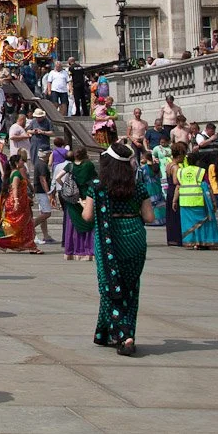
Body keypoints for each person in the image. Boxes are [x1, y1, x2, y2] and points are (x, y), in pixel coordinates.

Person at [78, 142, 154, 356]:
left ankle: (125, 335)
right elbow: (149, 217)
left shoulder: (98, 186)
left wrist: (84, 204)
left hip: (109, 239)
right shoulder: (138, 187)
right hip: (135, 239)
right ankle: (105, 333)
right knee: (130, 287)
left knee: (110, 287)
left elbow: (88, 217)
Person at [0, 154, 43, 254]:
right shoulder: (16, 173)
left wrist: (27, 198)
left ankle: (30, 246)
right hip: (17, 204)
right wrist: (16, 201)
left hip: (20, 203)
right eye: (21, 160)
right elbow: (15, 188)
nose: (23, 162)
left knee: (22, 226)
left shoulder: (14, 172)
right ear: (16, 163)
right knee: (17, 226)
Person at [175, 148, 218, 249]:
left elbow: (178, 186)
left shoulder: (180, 171)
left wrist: (174, 200)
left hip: (184, 201)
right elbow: (208, 186)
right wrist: (213, 201)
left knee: (190, 223)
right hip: (198, 200)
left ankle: (194, 243)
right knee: (204, 222)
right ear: (197, 161)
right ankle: (204, 241)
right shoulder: (201, 171)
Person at [54, 146, 96, 261]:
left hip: (72, 198)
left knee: (73, 224)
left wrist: (65, 187)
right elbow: (95, 180)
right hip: (86, 196)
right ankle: (88, 251)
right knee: (88, 223)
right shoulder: (89, 165)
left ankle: (71, 251)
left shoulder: (70, 165)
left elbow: (57, 178)